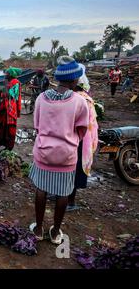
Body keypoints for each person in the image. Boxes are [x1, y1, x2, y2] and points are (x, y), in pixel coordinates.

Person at [29, 56, 89, 244]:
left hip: (43, 152)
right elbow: (82, 129)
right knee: (63, 193)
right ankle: (55, 232)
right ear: (73, 80)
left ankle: (38, 229)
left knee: (41, 190)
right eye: (77, 78)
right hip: (67, 155)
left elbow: (37, 126)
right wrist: (68, 141)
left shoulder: (41, 98)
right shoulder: (79, 102)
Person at [67, 67, 98, 211]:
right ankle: (70, 201)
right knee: (76, 169)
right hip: (81, 139)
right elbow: (91, 124)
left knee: (68, 169)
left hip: (71, 139)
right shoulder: (86, 100)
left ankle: (66, 198)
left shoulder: (71, 98)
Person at [0, 67, 22, 150]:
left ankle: (9, 147)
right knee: (4, 126)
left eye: (7, 73)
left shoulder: (15, 82)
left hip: (11, 107)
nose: (5, 75)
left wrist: (4, 88)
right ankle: (5, 145)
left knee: (10, 128)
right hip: (6, 106)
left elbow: (12, 95)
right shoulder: (10, 82)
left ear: (11, 74)